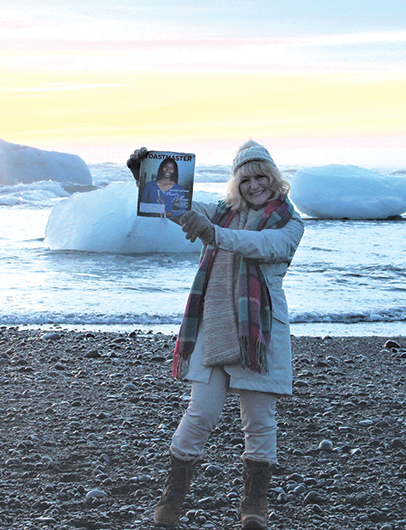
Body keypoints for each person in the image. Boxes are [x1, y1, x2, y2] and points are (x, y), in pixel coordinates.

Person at [127, 140, 304, 529]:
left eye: (261, 177)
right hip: (215, 324)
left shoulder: (289, 224)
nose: (254, 185)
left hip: (259, 331)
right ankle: (170, 504)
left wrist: (212, 234)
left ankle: (254, 507)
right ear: (236, 183)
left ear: (274, 180)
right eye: (246, 178)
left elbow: (259, 246)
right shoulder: (222, 212)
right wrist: (146, 176)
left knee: (259, 420)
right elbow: (181, 209)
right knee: (200, 413)